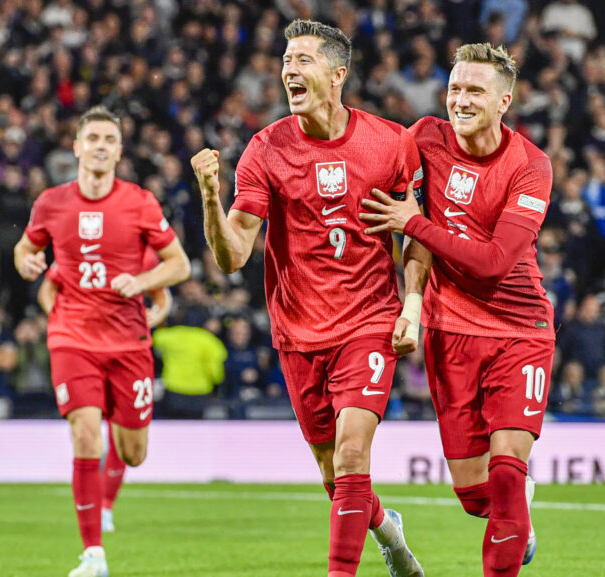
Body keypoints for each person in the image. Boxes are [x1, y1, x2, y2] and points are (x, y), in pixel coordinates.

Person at [190, 20, 423, 577]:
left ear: (338, 74)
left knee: (350, 455)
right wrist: (209, 199)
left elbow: (415, 233)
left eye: (303, 60)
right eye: (286, 60)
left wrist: (411, 305)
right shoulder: (266, 149)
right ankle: (390, 533)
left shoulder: (391, 142)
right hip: (298, 331)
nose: (288, 70)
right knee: (333, 473)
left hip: (368, 322)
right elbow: (233, 256)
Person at [359, 43, 555, 577]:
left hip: (520, 330)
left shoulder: (530, 166)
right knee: (476, 496)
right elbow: (408, 214)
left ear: (504, 101)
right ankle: (516, 510)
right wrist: (413, 300)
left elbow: (493, 263)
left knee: (509, 474)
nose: (461, 101)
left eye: (475, 91)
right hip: (451, 332)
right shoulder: (425, 137)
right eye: (455, 90)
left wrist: (413, 223)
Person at [13, 105, 190, 577]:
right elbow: (25, 250)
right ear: (76, 146)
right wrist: (26, 263)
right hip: (72, 338)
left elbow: (180, 266)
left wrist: (144, 281)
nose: (100, 146)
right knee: (84, 434)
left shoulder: (140, 203)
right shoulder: (51, 202)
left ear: (119, 150)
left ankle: (115, 450)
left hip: (129, 342)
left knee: (133, 451)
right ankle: (93, 555)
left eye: (109, 139)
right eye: (92, 138)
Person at [37, 247, 172, 534]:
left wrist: (152, 317)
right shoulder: (79, 249)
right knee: (87, 430)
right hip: (83, 351)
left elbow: (162, 297)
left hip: (128, 353)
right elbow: (47, 289)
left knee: (127, 446)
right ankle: (96, 527)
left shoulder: (143, 255)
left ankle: (106, 506)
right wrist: (65, 320)